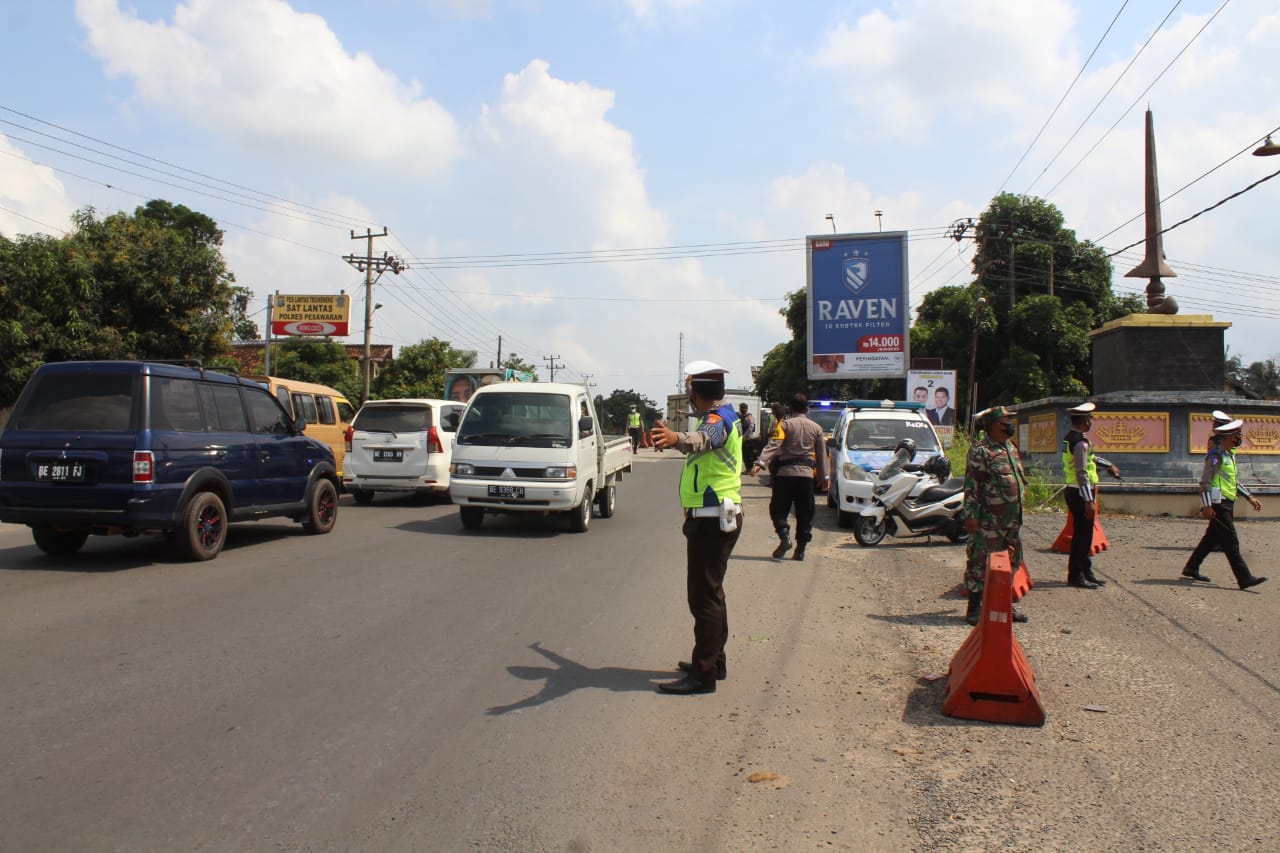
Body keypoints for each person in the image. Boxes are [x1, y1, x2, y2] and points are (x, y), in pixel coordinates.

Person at [651, 360, 744, 694]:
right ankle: (713, 661)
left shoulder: (718, 420)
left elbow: (704, 439)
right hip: (715, 516)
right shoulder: (725, 414)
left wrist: (676, 437)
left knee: (704, 599)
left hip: (713, 518)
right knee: (711, 595)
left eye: (689, 388)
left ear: (694, 391)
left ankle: (703, 674)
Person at [1181, 419, 1268, 590]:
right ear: (1228, 437)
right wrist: (1207, 506)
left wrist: (1249, 497)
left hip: (1227, 501)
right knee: (1231, 541)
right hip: (1218, 503)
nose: (1239, 438)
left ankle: (1191, 567)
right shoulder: (1215, 456)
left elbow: (1233, 481)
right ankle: (1244, 578)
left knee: (1211, 538)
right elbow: (1205, 482)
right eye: (1237, 435)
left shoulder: (1229, 455)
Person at [961, 406, 1028, 625]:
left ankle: (1003, 606)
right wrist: (971, 515)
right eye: (1006, 421)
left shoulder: (1010, 447)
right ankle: (974, 608)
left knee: (1011, 562)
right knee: (980, 562)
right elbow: (973, 485)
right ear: (993, 425)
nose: (1011, 424)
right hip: (989, 520)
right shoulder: (981, 450)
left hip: (1011, 520)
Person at [751, 392, 828, 562]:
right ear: (807, 408)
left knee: (778, 509)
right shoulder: (816, 428)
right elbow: (821, 456)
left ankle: (784, 536)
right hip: (807, 476)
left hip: (785, 475)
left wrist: (760, 463)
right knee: (805, 513)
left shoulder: (784, 425)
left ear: (790, 408)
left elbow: (773, 445)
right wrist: (824, 478)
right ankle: (800, 549)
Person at [1062, 402, 1121, 589]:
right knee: (1082, 536)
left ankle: (1086, 571)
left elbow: (1091, 458)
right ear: (1085, 421)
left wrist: (1108, 465)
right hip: (1080, 492)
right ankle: (1076, 575)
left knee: (1085, 534)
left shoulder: (1072, 438)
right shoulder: (1080, 442)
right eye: (1090, 418)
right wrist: (1088, 500)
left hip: (1076, 490)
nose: (1092, 421)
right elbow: (1082, 472)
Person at [737, 403, 757, 472]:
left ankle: (750, 468)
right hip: (742, 438)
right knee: (744, 455)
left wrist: (745, 436)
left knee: (749, 455)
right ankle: (748, 468)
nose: (741, 409)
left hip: (748, 439)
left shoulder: (749, 416)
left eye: (742, 408)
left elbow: (751, 427)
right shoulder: (739, 416)